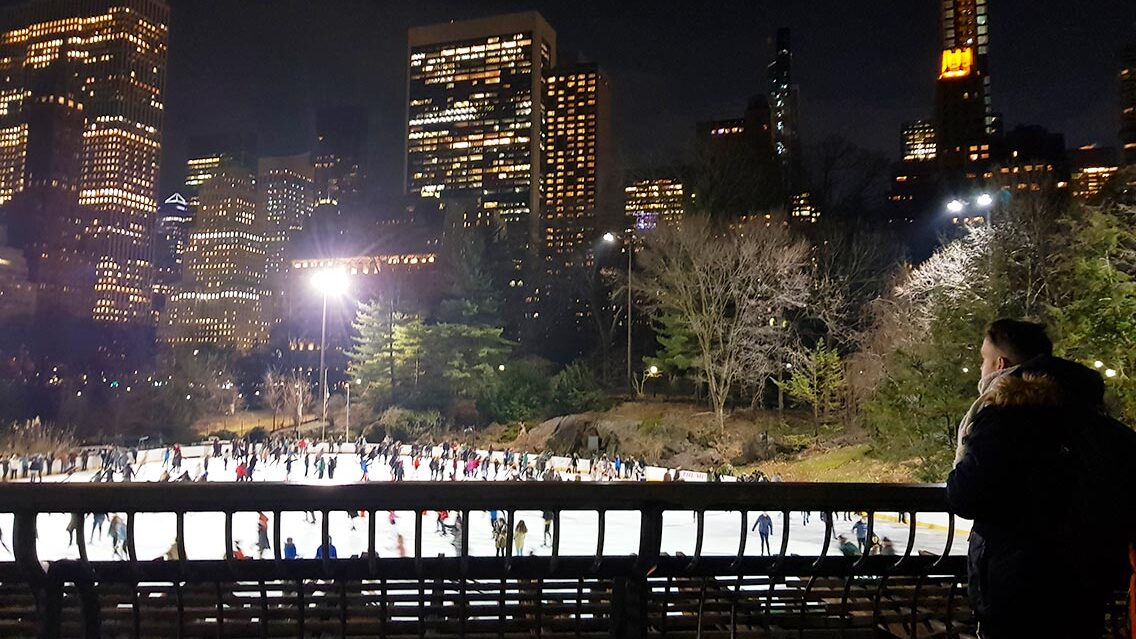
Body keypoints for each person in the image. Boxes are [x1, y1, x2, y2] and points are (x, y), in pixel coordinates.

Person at [947, 319, 1136, 638]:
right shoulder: (1095, 420)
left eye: (983, 359)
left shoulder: (1002, 417)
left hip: (1016, 586)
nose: (981, 369)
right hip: (1087, 583)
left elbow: (965, 494)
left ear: (1000, 364)